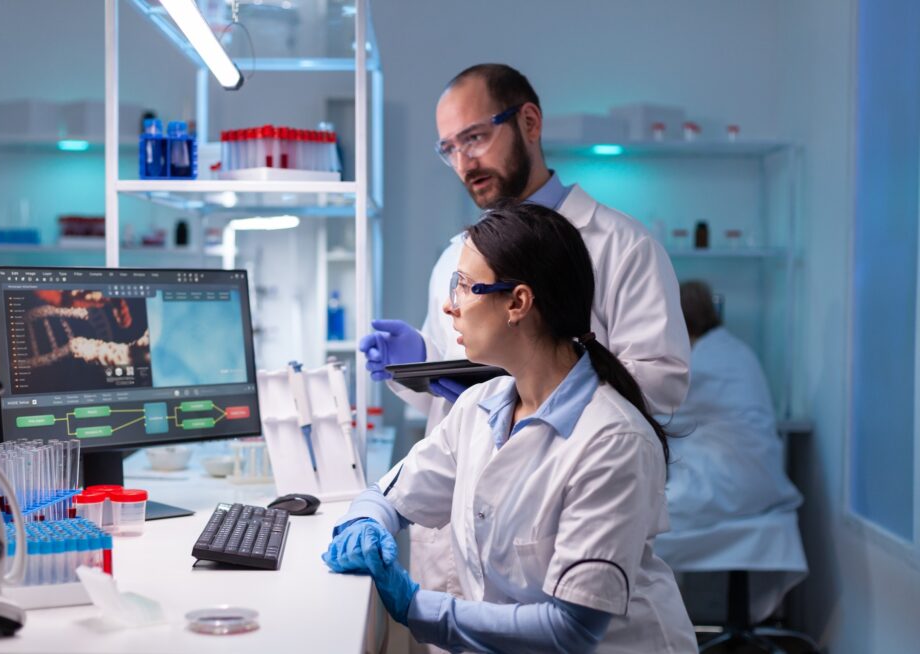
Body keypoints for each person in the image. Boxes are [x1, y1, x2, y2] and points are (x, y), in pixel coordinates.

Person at [359, 63, 691, 614]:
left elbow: (659, 386)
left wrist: (530, 385)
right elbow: (456, 396)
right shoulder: (457, 253)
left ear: (529, 122)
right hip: (462, 534)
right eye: (448, 148)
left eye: (475, 137)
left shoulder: (621, 246)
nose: (464, 161)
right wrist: (422, 365)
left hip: (558, 521)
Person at [326, 202, 697, 653]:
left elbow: (571, 629)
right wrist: (367, 521)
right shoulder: (481, 406)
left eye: (464, 286)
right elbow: (390, 494)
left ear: (518, 302)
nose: (450, 306)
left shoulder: (612, 441)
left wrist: (414, 607)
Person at [653, 281, 807, 623]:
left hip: (732, 484)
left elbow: (657, 413)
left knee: (644, 523)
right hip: (753, 478)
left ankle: (655, 630)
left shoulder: (702, 361)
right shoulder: (731, 349)